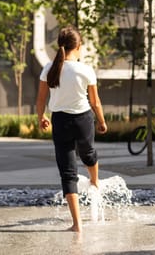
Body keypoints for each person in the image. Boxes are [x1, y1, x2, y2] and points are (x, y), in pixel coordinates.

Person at [36, 25, 107, 232]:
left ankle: (77, 224)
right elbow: (95, 102)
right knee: (88, 153)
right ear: (79, 46)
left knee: (68, 173)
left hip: (60, 121)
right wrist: (101, 121)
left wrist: (41, 117)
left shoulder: (49, 68)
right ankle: (95, 181)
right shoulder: (85, 70)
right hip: (83, 120)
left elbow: (41, 99)